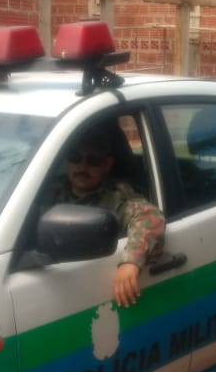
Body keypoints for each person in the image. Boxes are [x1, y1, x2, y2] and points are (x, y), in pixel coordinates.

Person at [45, 126, 165, 308]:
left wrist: (131, 262)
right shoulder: (47, 191)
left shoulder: (116, 197)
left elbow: (150, 218)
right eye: (75, 158)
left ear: (107, 165)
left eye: (93, 161)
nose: (82, 166)